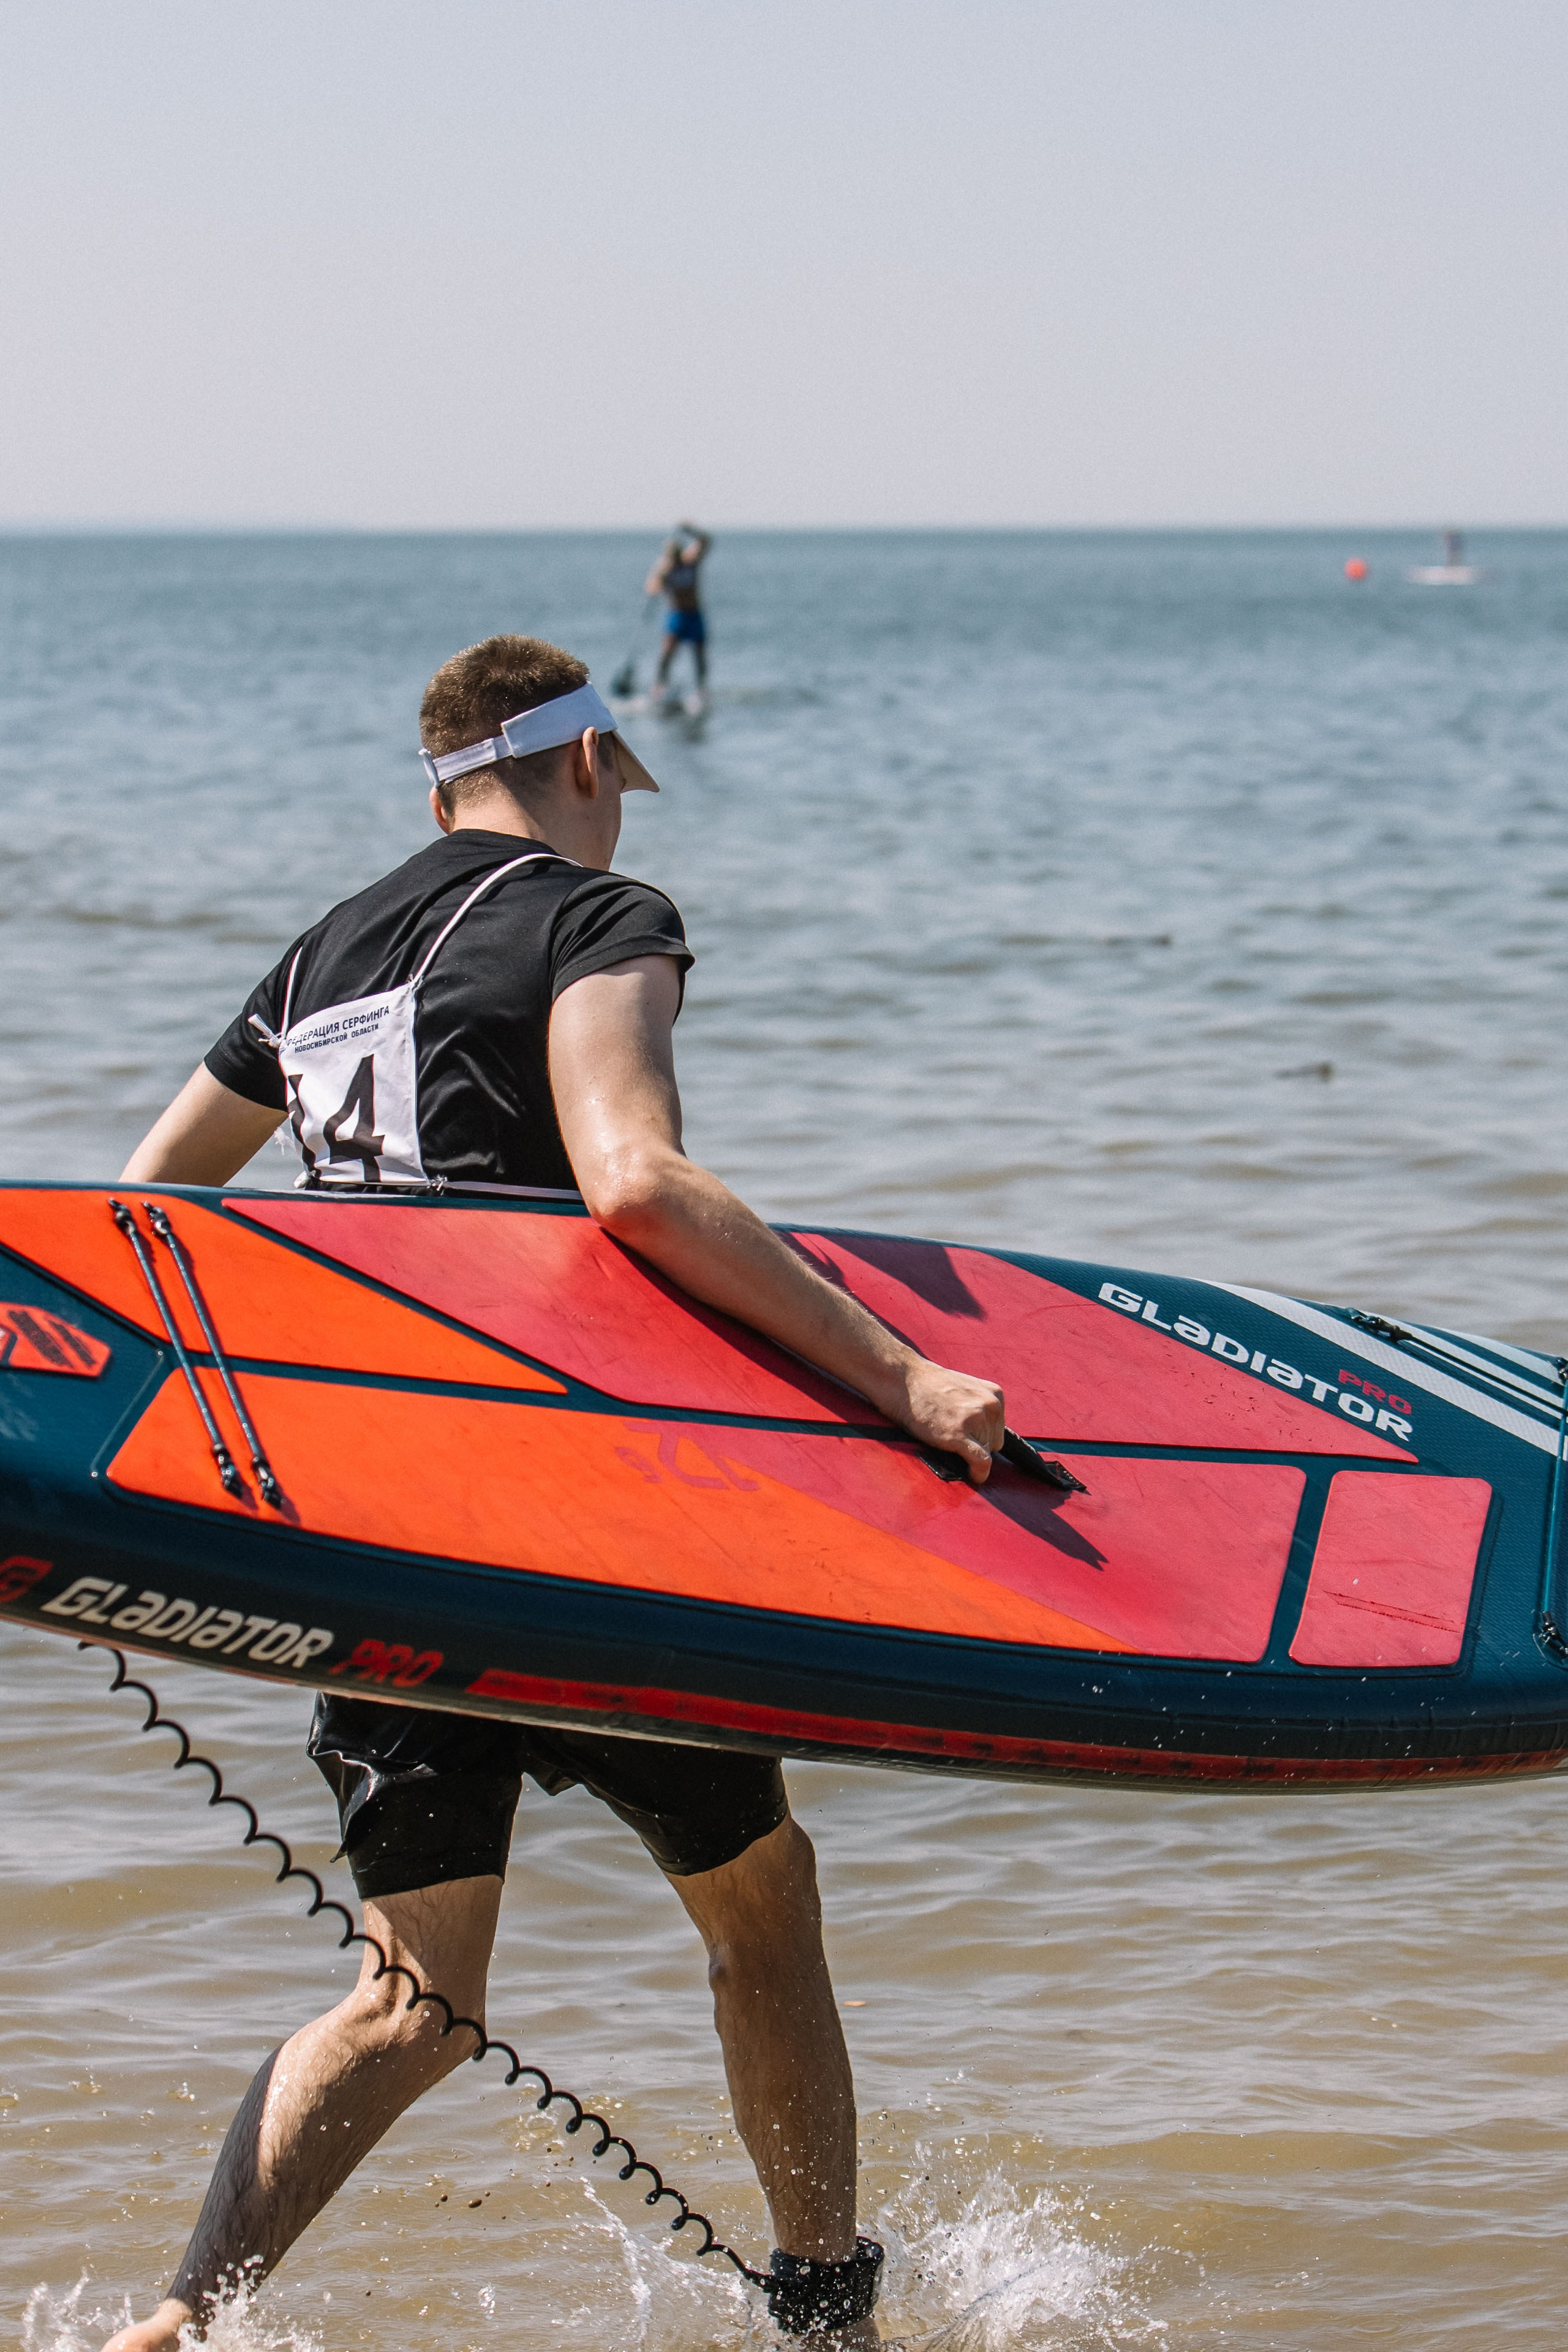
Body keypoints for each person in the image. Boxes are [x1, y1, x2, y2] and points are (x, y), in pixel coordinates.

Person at [102, 634, 1005, 2352]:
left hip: (374, 1537)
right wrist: (904, 1377)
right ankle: (827, 2312)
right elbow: (636, 1184)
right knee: (760, 1894)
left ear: (437, 780)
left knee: (413, 2001)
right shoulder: (601, 915)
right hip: (582, 1524)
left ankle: (176, 2325)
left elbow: (147, 1218)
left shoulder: (316, 960)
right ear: (584, 764)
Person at [646, 523, 710, 697]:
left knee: (699, 653)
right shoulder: (666, 569)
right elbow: (652, 586)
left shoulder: (691, 562)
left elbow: (706, 541)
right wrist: (658, 581)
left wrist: (689, 529)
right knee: (668, 652)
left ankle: (701, 689)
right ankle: (660, 687)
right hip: (677, 615)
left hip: (695, 615)